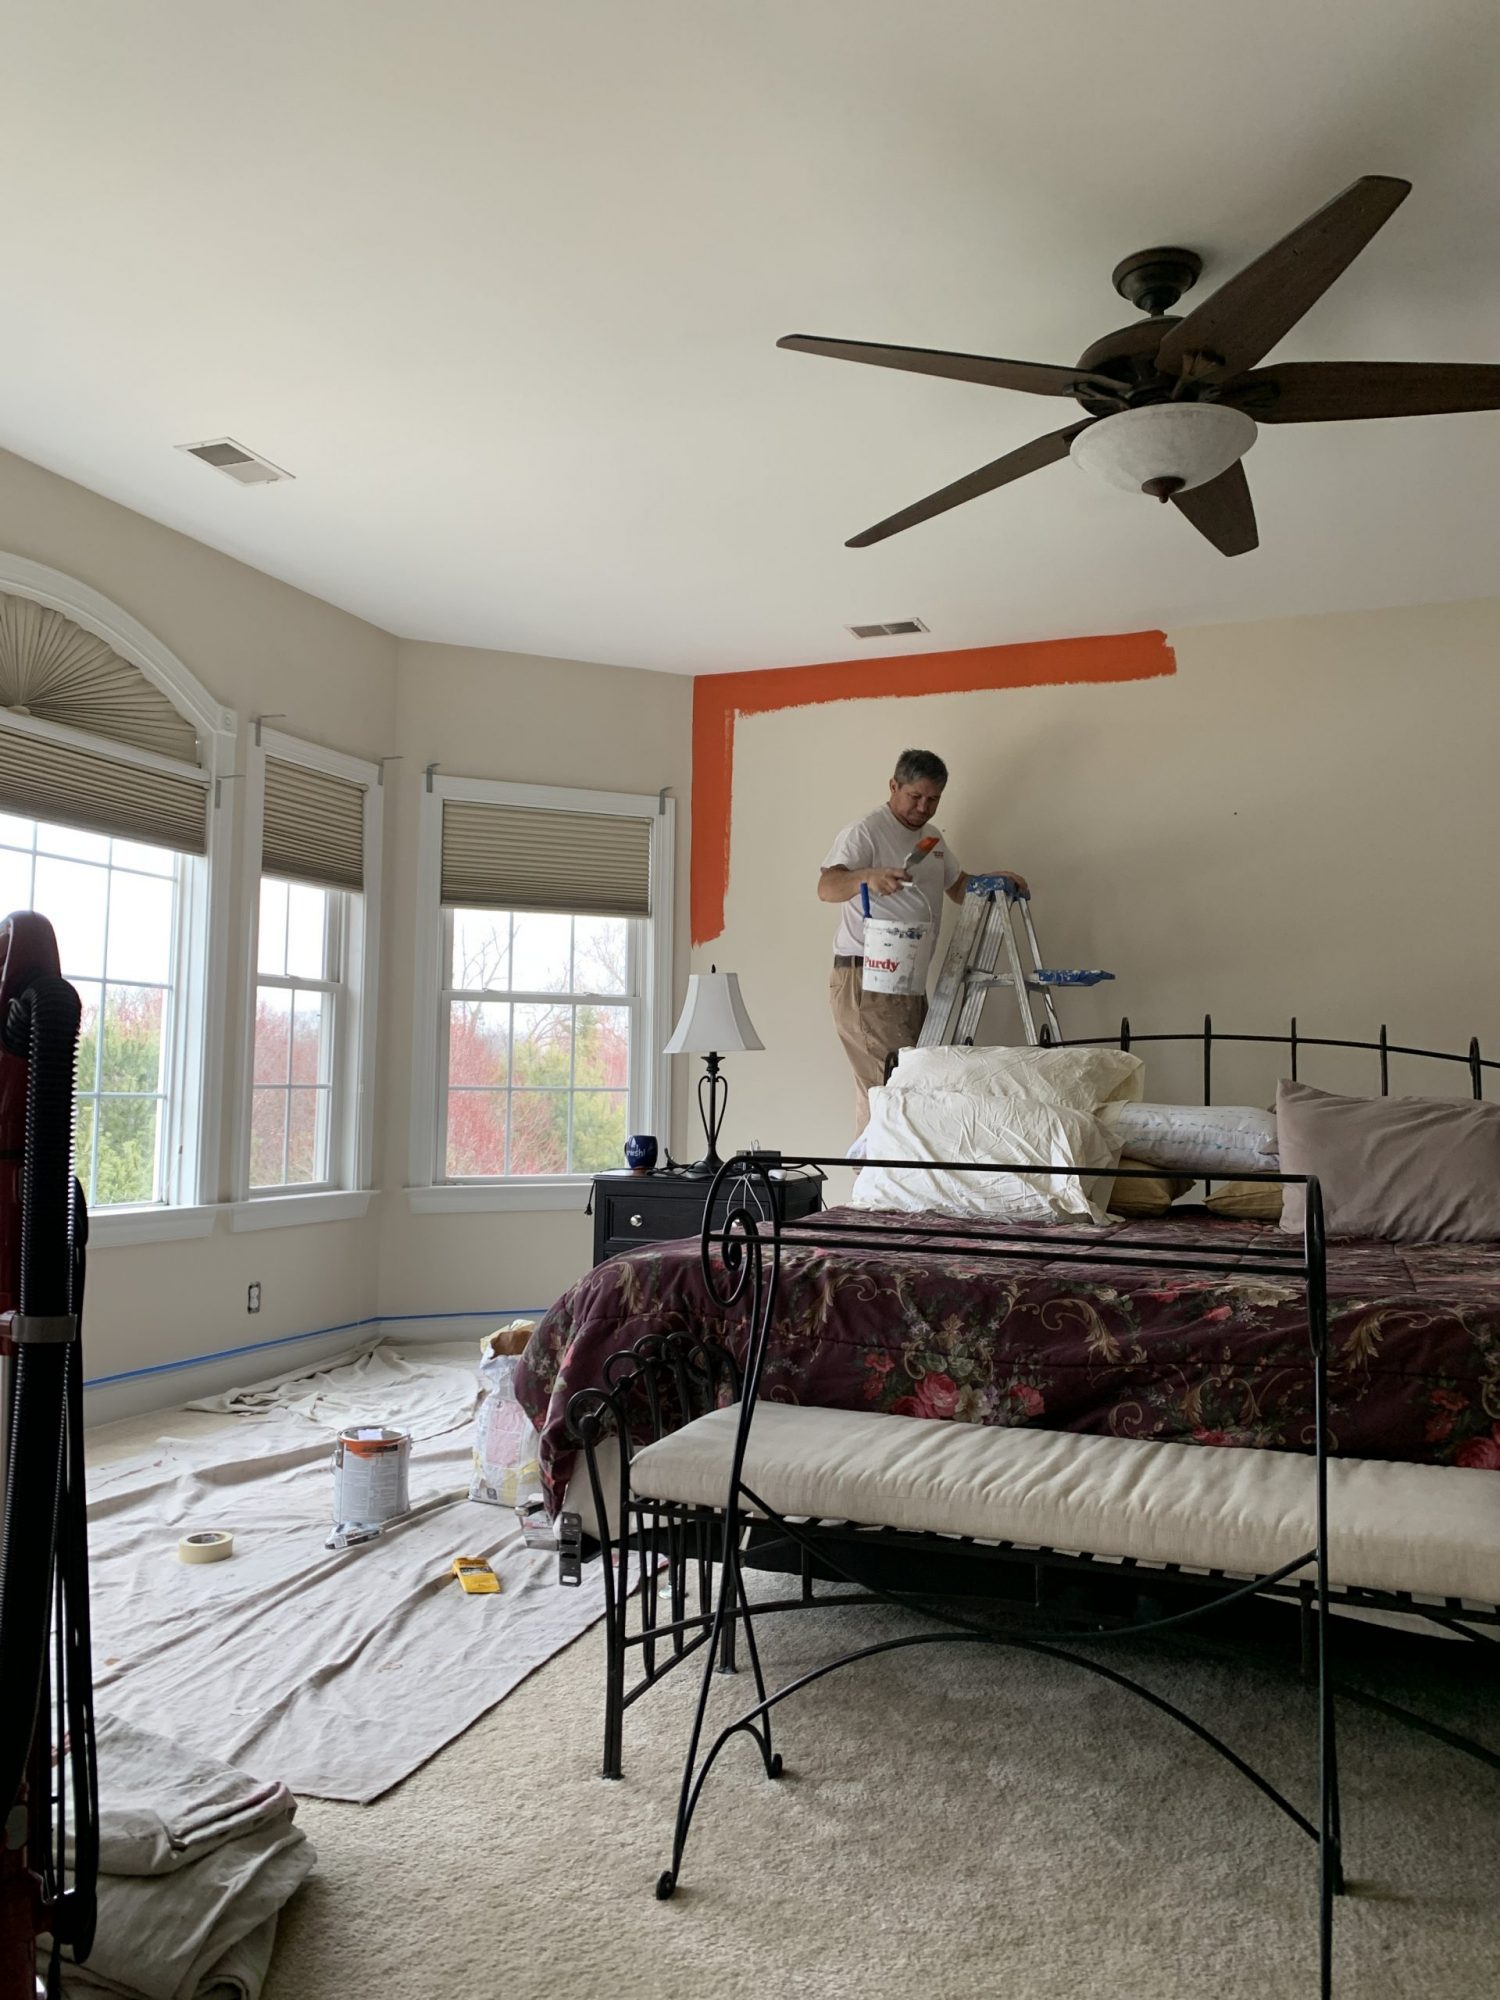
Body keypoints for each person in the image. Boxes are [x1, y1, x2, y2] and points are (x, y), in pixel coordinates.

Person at [818, 749, 1027, 1136]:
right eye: (915, 796)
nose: (923, 807)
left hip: (908, 980)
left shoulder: (931, 839)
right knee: (891, 1088)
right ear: (893, 786)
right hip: (866, 976)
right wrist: (868, 876)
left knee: (901, 1085)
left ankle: (879, 1169)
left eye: (933, 799)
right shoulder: (866, 831)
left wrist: (993, 880)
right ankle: (877, 1170)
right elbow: (827, 887)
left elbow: (958, 887)